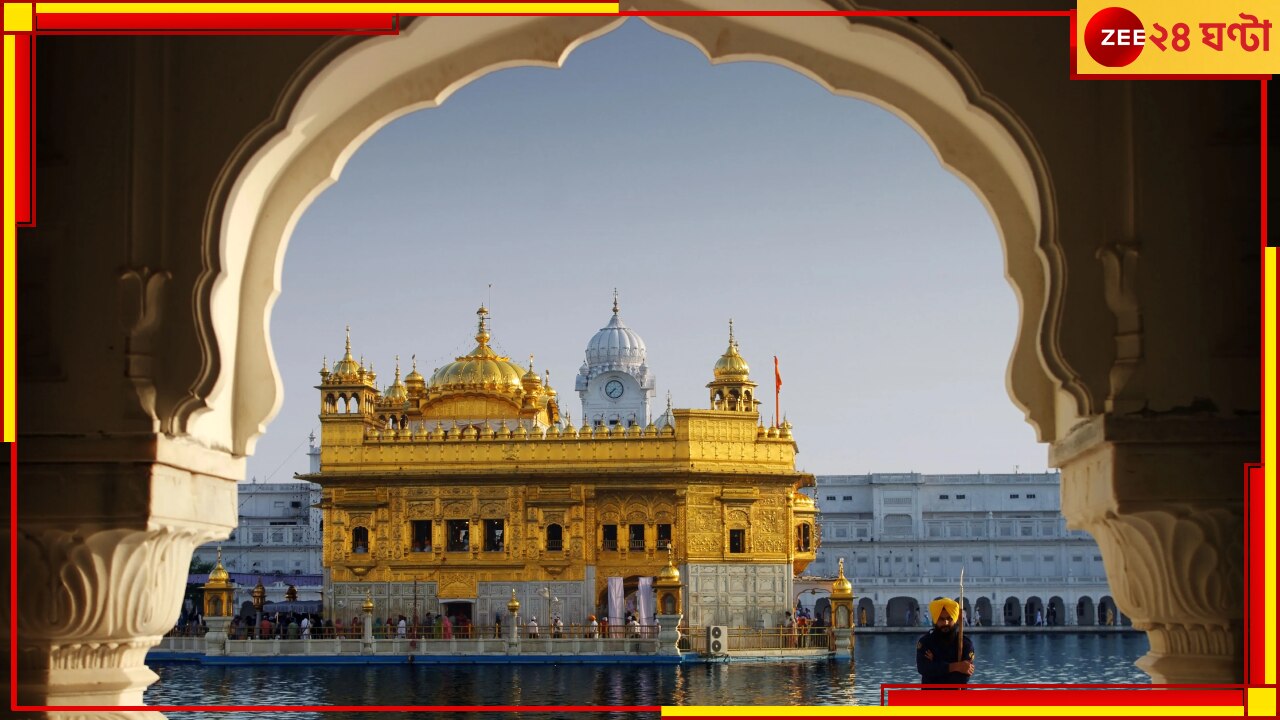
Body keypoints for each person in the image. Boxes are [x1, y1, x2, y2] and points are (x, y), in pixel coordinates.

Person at [916, 597, 975, 685]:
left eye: (949, 618)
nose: (946, 623)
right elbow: (923, 668)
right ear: (935, 621)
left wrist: (936, 661)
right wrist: (955, 666)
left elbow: (962, 678)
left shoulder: (964, 644)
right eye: (941, 619)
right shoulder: (926, 642)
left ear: (954, 620)